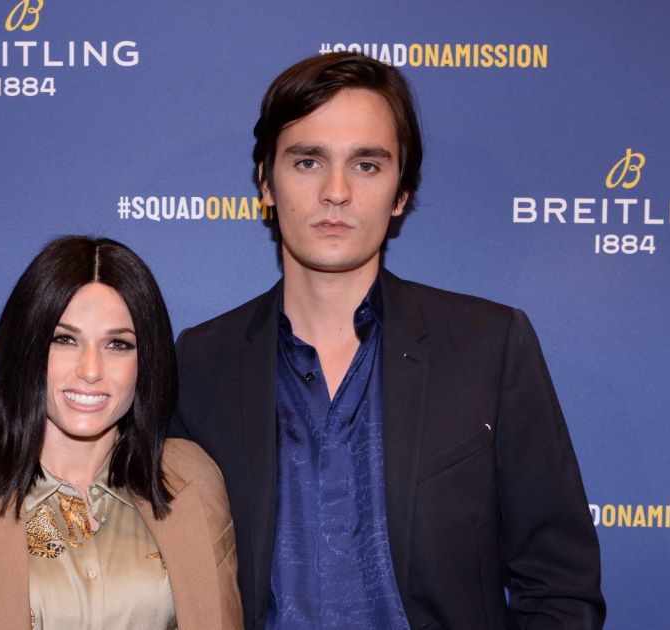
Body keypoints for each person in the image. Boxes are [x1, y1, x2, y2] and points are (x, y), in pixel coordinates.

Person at [170, 53, 606, 628]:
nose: (336, 191)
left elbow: (559, 584)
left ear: (401, 192)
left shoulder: (489, 347)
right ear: (265, 182)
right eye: (307, 161)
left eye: (367, 165)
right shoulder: (202, 361)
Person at [0, 236, 242, 629]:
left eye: (118, 344)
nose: (91, 369)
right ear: (26, 348)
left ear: (146, 360)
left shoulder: (194, 477)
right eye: (65, 340)